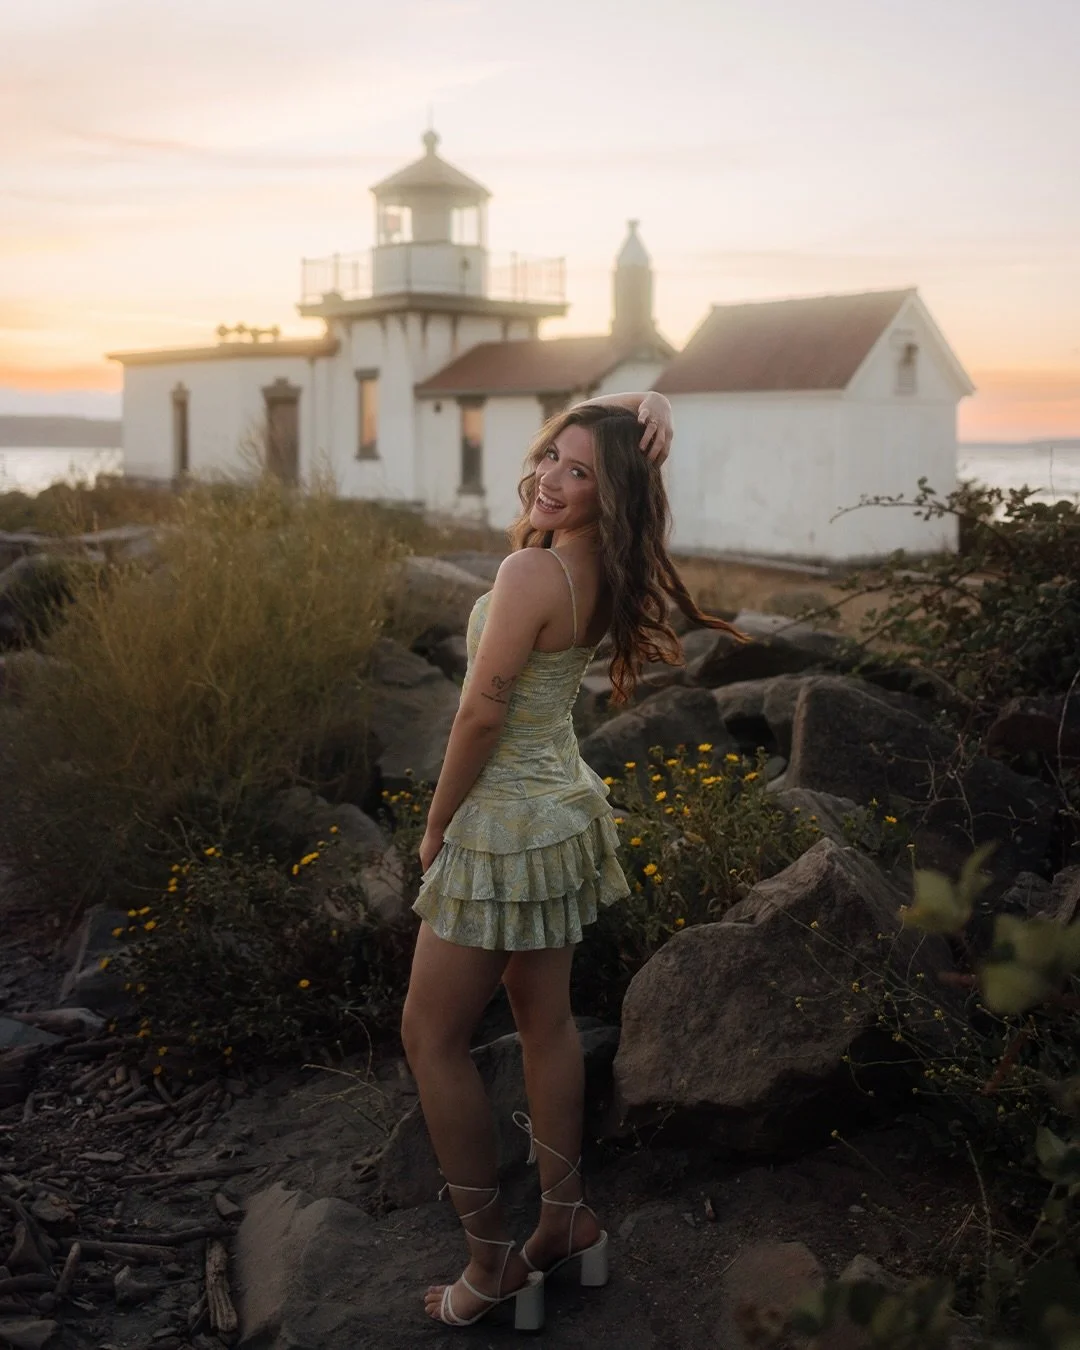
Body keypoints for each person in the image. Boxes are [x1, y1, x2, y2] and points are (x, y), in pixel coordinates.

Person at [400, 391, 743, 1330]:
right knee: (543, 1023)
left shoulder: (529, 571)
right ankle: (566, 1222)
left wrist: (436, 824)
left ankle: (491, 1264)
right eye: (552, 452)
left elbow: (480, 716)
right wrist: (650, 402)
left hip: (504, 822)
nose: (551, 476)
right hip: (560, 813)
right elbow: (610, 431)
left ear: (611, 492)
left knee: (430, 1037)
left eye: (580, 470)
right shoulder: (602, 568)